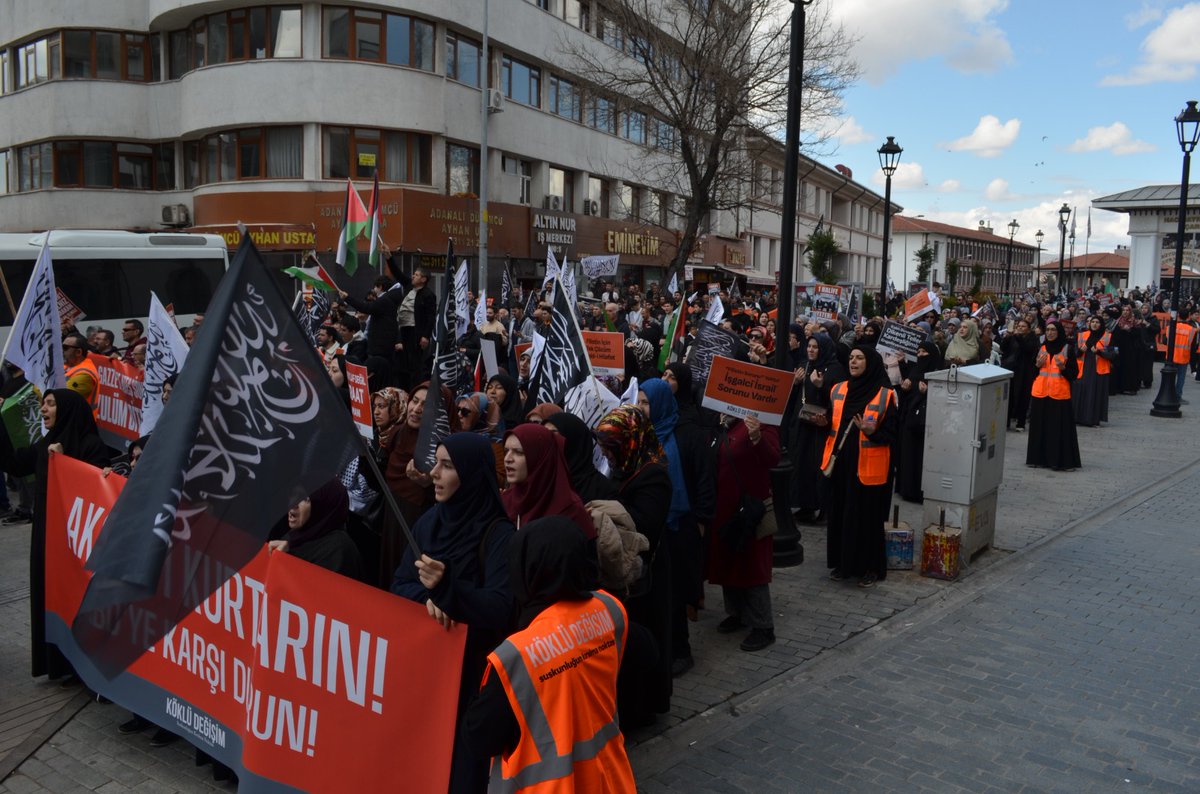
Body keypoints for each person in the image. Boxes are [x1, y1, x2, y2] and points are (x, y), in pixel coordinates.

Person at [461, 518, 635, 793]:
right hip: (611, 781)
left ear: (525, 570)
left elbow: (479, 738)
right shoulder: (609, 609)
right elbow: (648, 656)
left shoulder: (515, 656)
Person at [392, 434, 516, 794]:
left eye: (448, 466)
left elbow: (499, 606)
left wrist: (450, 592)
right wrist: (427, 597)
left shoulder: (498, 535)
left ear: (472, 475)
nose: (435, 474)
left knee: (461, 773)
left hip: (471, 681)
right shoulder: (429, 523)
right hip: (427, 677)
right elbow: (400, 583)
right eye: (437, 463)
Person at [0, 389, 110, 679]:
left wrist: (64, 463)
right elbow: (12, 462)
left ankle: (84, 668)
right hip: (47, 539)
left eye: (50, 403)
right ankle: (60, 664)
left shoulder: (91, 445)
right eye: (43, 403)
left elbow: (95, 491)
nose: (44, 408)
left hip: (76, 545)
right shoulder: (45, 444)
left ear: (68, 410)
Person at [594, 405, 673, 729]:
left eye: (613, 448)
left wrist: (614, 509)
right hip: (633, 571)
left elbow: (647, 526)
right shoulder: (625, 467)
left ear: (632, 441)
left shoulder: (653, 473)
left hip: (649, 573)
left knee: (646, 640)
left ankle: (645, 708)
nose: (608, 455)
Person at [823, 346, 897, 589]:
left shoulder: (886, 395)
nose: (853, 362)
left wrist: (873, 431)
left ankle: (870, 568)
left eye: (860, 358)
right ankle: (845, 564)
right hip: (842, 464)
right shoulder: (838, 389)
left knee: (867, 518)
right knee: (842, 513)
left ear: (871, 362)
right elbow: (832, 423)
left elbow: (894, 433)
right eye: (852, 358)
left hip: (870, 469)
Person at [708, 412, 781, 651]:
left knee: (753, 565)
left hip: (750, 511)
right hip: (726, 509)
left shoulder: (762, 422)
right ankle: (737, 613)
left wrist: (757, 437)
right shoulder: (727, 423)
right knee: (729, 560)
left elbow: (772, 458)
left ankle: (763, 626)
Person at [788, 334, 845, 522]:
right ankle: (805, 504)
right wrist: (795, 383)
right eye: (809, 346)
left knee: (818, 465)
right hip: (803, 423)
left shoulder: (835, 369)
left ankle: (822, 506)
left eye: (815, 347)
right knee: (801, 464)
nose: (811, 350)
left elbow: (839, 399)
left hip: (822, 426)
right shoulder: (804, 366)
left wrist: (822, 386)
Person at [502, 424, 594, 536]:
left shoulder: (569, 510)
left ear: (540, 458)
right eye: (506, 451)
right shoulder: (505, 501)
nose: (508, 459)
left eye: (519, 452)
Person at [271, 480, 365, 581]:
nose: (293, 503)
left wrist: (286, 561)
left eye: (303, 498)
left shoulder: (338, 549)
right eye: (293, 495)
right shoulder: (295, 535)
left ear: (322, 505)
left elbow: (317, 592)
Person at [1026, 321, 1081, 471]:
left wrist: (1063, 368)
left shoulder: (1067, 349)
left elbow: (1074, 374)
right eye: (1048, 330)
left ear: (1059, 332)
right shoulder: (1041, 348)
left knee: (1058, 430)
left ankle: (1059, 461)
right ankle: (1038, 459)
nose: (1050, 333)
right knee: (1040, 428)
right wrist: (1036, 366)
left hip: (1059, 394)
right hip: (1041, 393)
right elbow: (1031, 373)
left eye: (1053, 330)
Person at [895, 341, 943, 503]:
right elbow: (911, 381)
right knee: (907, 454)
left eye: (924, 352)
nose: (920, 355)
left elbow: (942, 396)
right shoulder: (916, 368)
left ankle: (918, 490)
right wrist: (907, 386)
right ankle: (906, 488)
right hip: (909, 419)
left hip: (925, 424)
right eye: (918, 352)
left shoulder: (937, 372)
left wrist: (927, 392)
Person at [542, 411, 617, 504]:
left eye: (553, 433)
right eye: (543, 432)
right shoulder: (542, 482)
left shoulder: (603, 490)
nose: (546, 438)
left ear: (573, 438)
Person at [1000, 318, 1039, 431]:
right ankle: (1006, 421)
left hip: (1026, 372)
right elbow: (1003, 348)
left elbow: (1027, 349)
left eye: (1023, 326)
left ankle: (1020, 423)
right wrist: (1008, 336)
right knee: (1009, 396)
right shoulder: (1012, 337)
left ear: (1028, 329)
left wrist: (1018, 338)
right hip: (1012, 370)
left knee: (1023, 396)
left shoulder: (1033, 338)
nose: (1020, 328)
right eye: (1019, 326)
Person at [1073, 315, 1112, 427]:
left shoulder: (1107, 336)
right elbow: (1075, 353)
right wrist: (1081, 350)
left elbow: (1113, 355)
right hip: (1083, 368)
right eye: (1093, 322)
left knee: (1095, 393)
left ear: (1101, 324)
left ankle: (1093, 419)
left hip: (1098, 369)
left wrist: (1099, 352)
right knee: (1082, 392)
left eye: (1097, 322)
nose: (1094, 324)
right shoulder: (1082, 335)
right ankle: (1078, 418)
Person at [62, 332, 99, 406]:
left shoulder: (85, 374)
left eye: (65, 348)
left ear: (78, 352)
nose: (61, 351)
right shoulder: (66, 366)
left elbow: (61, 398)